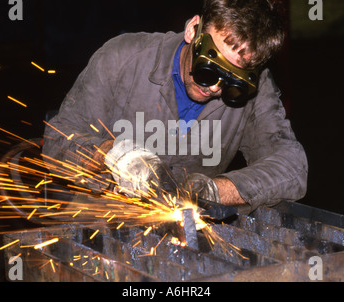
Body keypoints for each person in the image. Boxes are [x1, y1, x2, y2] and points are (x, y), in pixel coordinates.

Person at [42, 0, 308, 215]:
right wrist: (113, 155)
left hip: (186, 229)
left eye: (231, 81)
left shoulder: (256, 88)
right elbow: (57, 140)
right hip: (101, 223)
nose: (215, 88)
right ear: (193, 29)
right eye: (208, 70)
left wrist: (211, 191)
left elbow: (291, 168)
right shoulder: (122, 58)